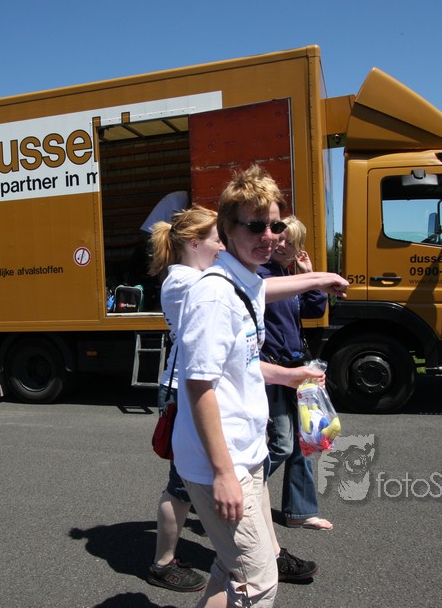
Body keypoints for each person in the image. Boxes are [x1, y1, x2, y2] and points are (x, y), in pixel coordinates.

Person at [174, 165, 348, 607]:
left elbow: (243, 361)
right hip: (221, 461)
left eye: (275, 225)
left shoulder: (246, 280)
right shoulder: (215, 295)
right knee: (259, 579)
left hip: (247, 453)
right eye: (255, 226)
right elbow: (199, 385)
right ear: (227, 229)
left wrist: (288, 375)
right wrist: (222, 474)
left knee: (230, 567)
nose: (268, 236)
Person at [146, 204, 224, 593]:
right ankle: (162, 565)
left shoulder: (196, 276)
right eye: (217, 239)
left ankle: (252, 552)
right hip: (182, 391)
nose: (222, 246)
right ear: (194, 243)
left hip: (194, 387)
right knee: (181, 485)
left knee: (205, 477)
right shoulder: (183, 280)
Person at [258, 216, 333, 531]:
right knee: (282, 443)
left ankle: (300, 512)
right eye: (279, 239)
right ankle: (230, 490)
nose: (282, 245)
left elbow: (314, 310)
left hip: (297, 366)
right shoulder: (259, 275)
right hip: (272, 368)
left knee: (306, 439)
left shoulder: (287, 276)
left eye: (290, 242)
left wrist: (308, 275)